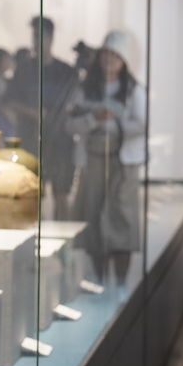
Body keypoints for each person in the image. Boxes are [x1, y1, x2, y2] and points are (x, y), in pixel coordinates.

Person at [68, 30, 146, 289]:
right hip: (92, 161)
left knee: (122, 220)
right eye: (106, 54)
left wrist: (112, 124)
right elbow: (70, 124)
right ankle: (98, 279)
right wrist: (94, 119)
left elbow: (142, 124)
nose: (109, 60)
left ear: (124, 60)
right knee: (93, 217)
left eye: (116, 55)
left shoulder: (134, 90)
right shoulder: (86, 88)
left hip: (123, 163)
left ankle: (120, 285)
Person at [5, 16, 82, 220]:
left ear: (50, 37)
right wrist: (34, 113)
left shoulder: (65, 71)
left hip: (61, 142)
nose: (36, 41)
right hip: (32, 141)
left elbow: (77, 105)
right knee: (31, 194)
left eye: (40, 36)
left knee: (62, 194)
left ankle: (62, 238)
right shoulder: (24, 69)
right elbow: (10, 100)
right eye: (34, 36)